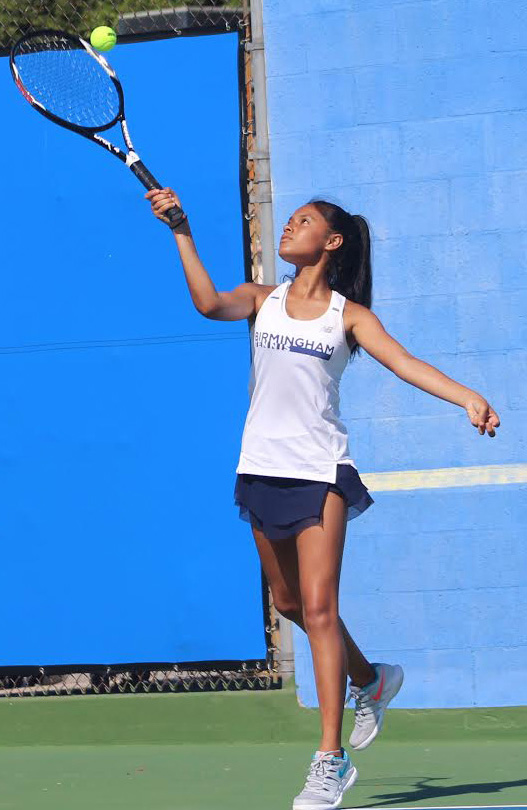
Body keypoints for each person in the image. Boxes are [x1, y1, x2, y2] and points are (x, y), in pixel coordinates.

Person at [146, 188, 500, 810]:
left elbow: (406, 362)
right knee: (289, 604)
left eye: (303, 221)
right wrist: (182, 230)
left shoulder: (349, 314)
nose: (289, 225)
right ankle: (371, 678)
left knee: (317, 608)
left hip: (321, 471)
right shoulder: (264, 301)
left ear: (330, 243)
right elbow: (207, 304)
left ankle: (329, 761)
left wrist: (466, 395)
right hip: (260, 469)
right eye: (290, 219)